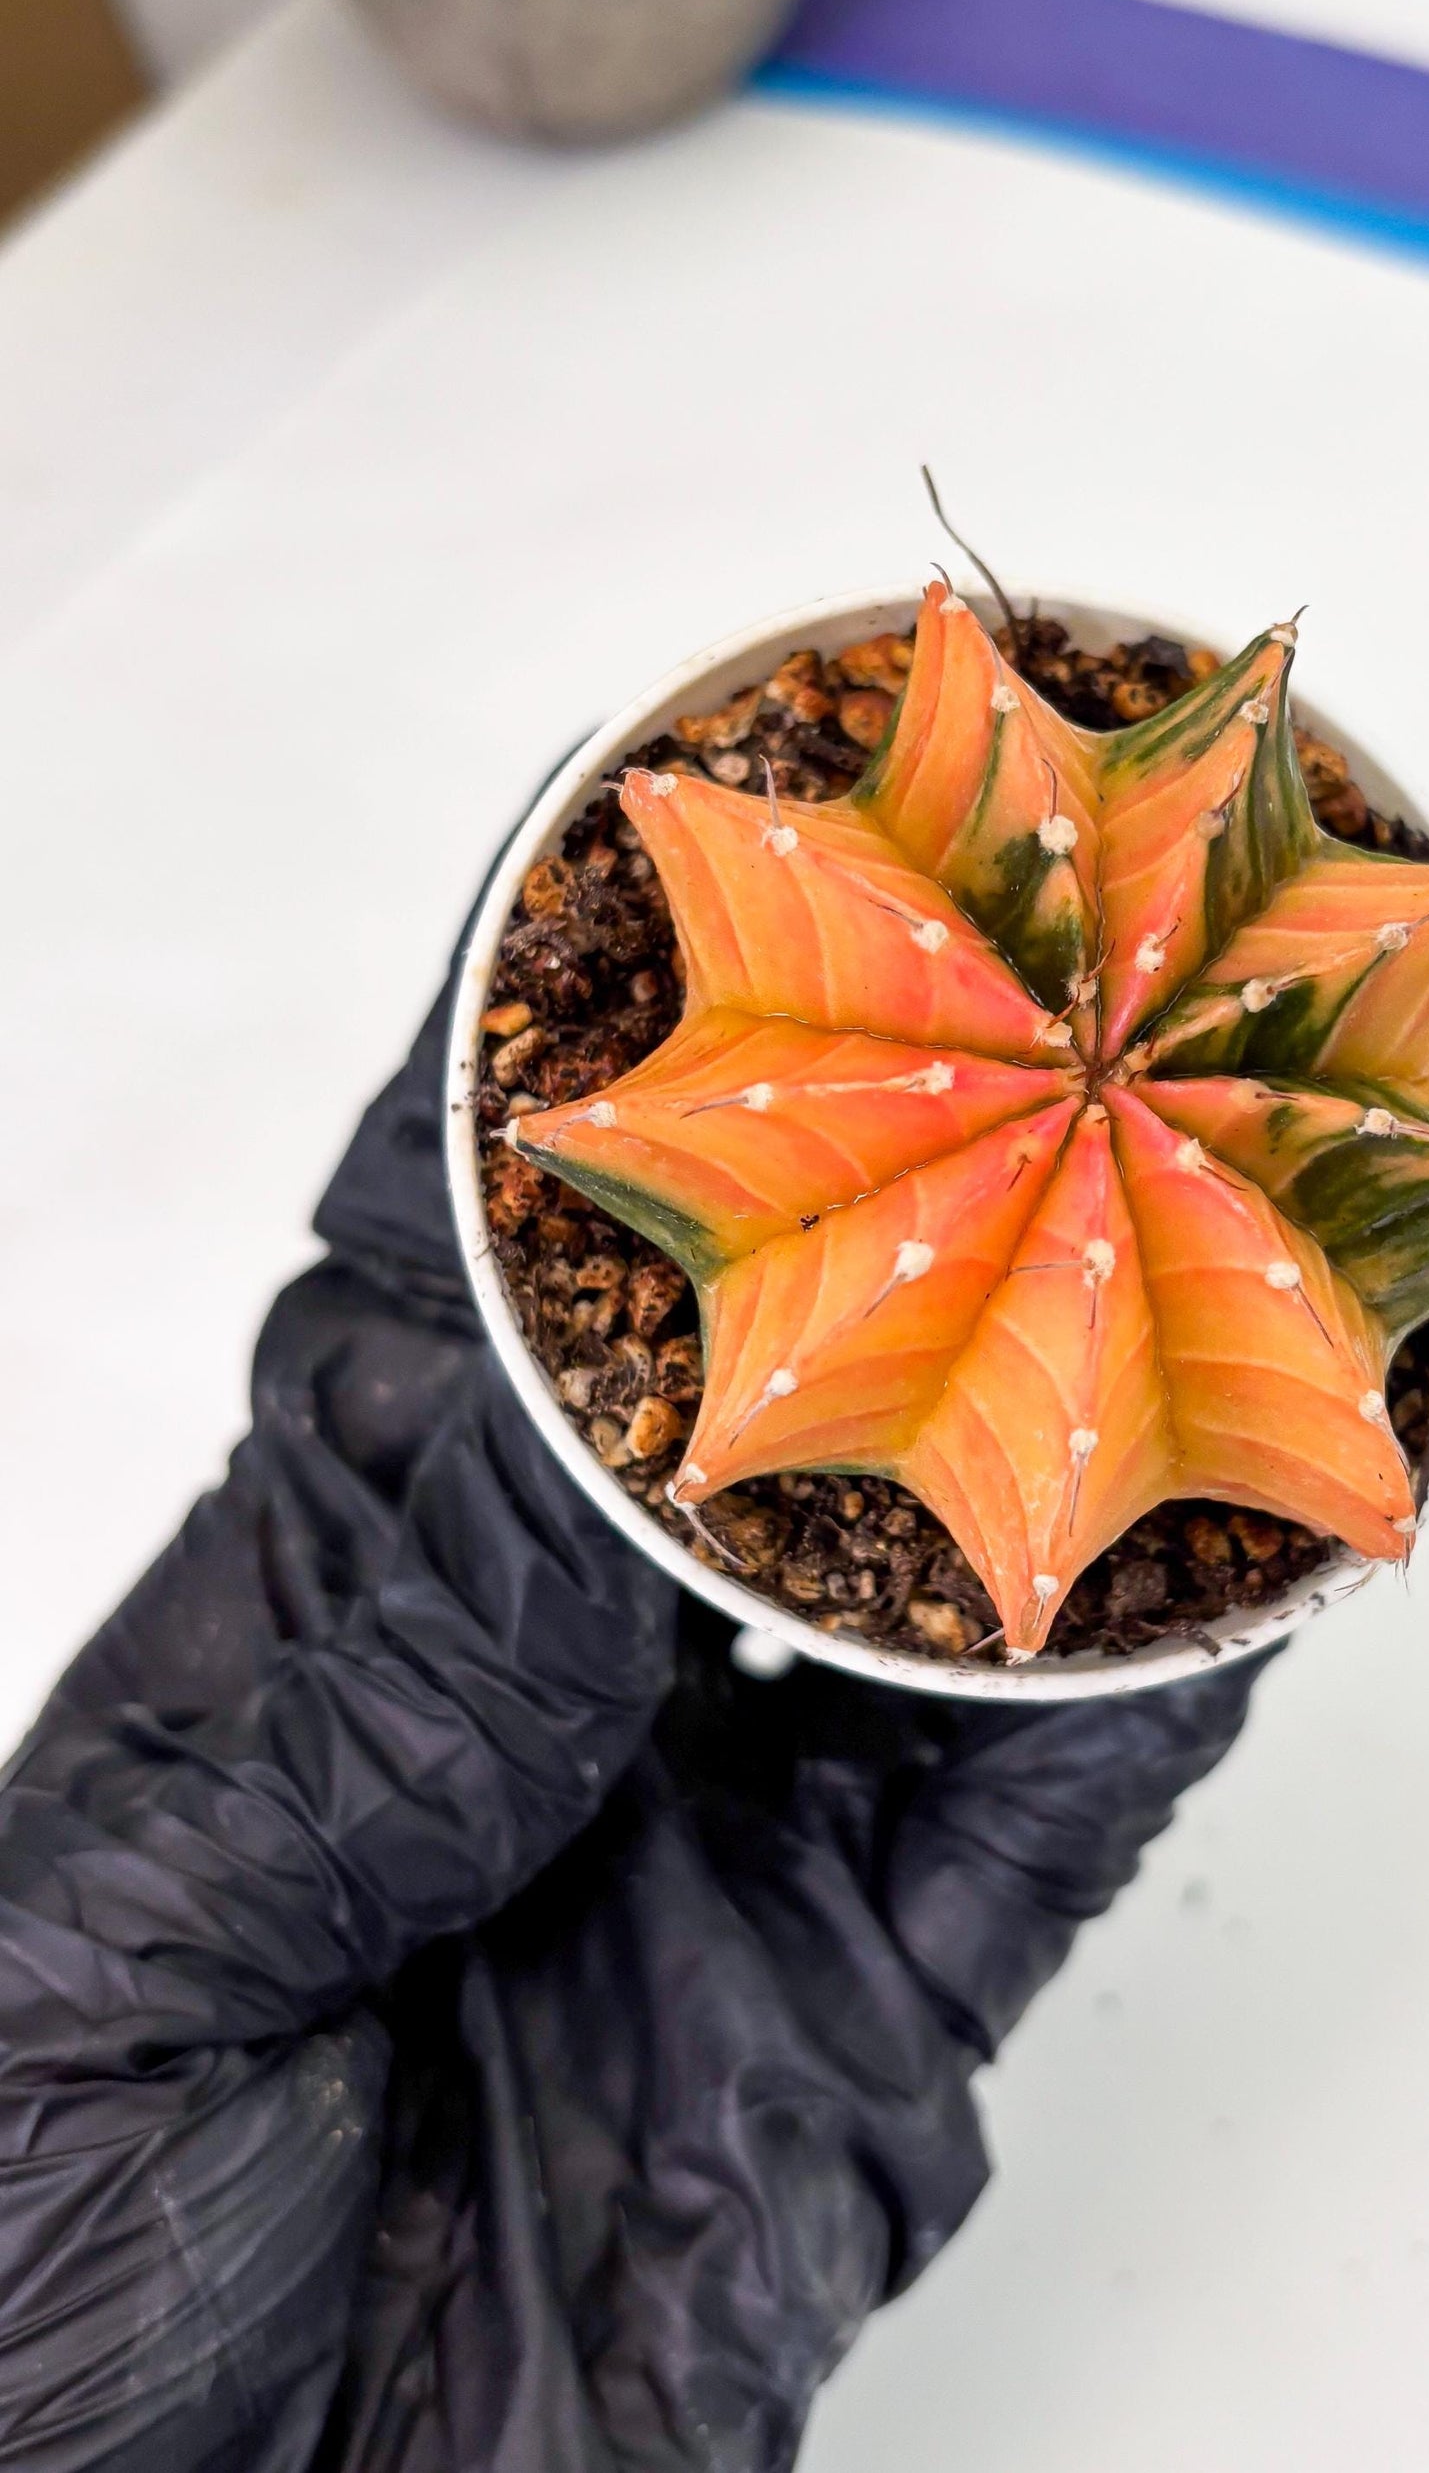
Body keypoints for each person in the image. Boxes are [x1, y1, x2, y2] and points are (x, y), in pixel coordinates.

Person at [0, 980, 1264, 2472]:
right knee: (1202, 1451)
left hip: (417, 1478)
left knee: (684, 1017)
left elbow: (450, 1709)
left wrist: (610, 1352)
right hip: (813, 1975)